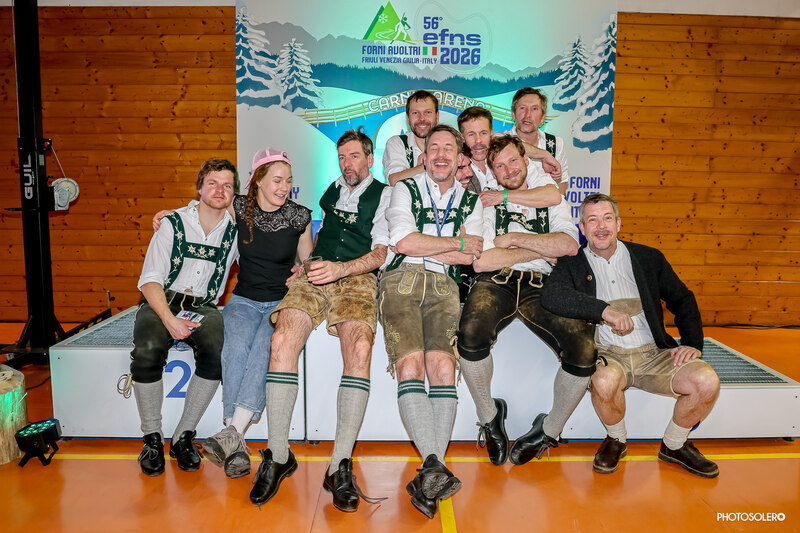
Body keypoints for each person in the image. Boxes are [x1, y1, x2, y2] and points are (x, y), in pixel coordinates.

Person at [250, 128, 391, 512]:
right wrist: (307, 264)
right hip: (317, 273)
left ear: (370, 159)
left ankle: (339, 464)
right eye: (342, 157)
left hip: (357, 278)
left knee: (359, 347)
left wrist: (341, 269)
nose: (347, 164)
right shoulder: (332, 191)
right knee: (282, 339)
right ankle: (278, 454)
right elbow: (321, 237)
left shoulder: (385, 195)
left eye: (355, 156)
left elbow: (381, 253)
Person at [541, 193, 721, 477]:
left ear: (618, 223)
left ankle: (674, 444)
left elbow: (683, 299)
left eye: (607, 218)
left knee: (707, 381)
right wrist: (605, 311)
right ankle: (616, 440)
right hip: (609, 354)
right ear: (582, 228)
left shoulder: (649, 258)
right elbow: (552, 296)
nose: (601, 226)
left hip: (656, 353)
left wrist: (692, 343)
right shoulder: (572, 264)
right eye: (592, 220)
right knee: (603, 380)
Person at [455, 136, 595, 467]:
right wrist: (541, 249)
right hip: (497, 279)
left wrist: (515, 240)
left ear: (525, 160)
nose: (508, 170)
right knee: (470, 336)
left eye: (513, 162)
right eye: (499, 166)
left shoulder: (550, 198)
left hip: (543, 284)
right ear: (492, 172)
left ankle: (549, 429)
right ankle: (490, 417)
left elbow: (568, 246)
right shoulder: (485, 202)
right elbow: (482, 262)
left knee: (584, 351)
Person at [379, 124, 484, 518]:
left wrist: (435, 246)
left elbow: (473, 257)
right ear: (423, 157)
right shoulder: (404, 189)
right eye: (433, 148)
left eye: (448, 149)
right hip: (400, 280)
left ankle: (430, 471)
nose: (441, 155)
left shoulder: (472, 200)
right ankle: (434, 465)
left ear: (460, 157)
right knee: (410, 365)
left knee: (443, 368)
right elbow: (403, 243)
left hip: (445, 285)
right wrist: (457, 242)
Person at [199, 149, 313, 478]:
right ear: (258, 181)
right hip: (244, 300)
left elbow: (309, 259)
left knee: (266, 348)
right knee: (234, 347)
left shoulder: (300, 217)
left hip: (281, 302)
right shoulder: (238, 207)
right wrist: (168, 214)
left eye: (288, 181)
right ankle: (234, 438)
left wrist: (304, 268)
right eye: (277, 180)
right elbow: (201, 209)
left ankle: (231, 433)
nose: (284, 187)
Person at [130, 159, 239, 477]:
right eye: (213, 183)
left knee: (217, 351)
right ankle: (152, 438)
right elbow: (150, 280)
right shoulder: (172, 223)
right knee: (148, 349)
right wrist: (169, 320)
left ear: (234, 194)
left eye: (227, 185)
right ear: (200, 188)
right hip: (161, 301)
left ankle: (182, 436)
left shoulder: (237, 231)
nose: (219, 190)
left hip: (203, 306)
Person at [506, 88, 570, 195]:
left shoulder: (555, 144)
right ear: (513, 115)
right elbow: (509, 146)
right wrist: (545, 155)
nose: (527, 115)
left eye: (534, 109)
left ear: (542, 118)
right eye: (522, 108)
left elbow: (561, 187)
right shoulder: (500, 139)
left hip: (548, 204)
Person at [383, 90, 439, 186]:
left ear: (437, 116)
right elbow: (395, 181)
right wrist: (427, 166)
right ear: (408, 118)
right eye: (415, 113)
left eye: (428, 112)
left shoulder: (452, 143)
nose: (422, 118)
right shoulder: (397, 143)